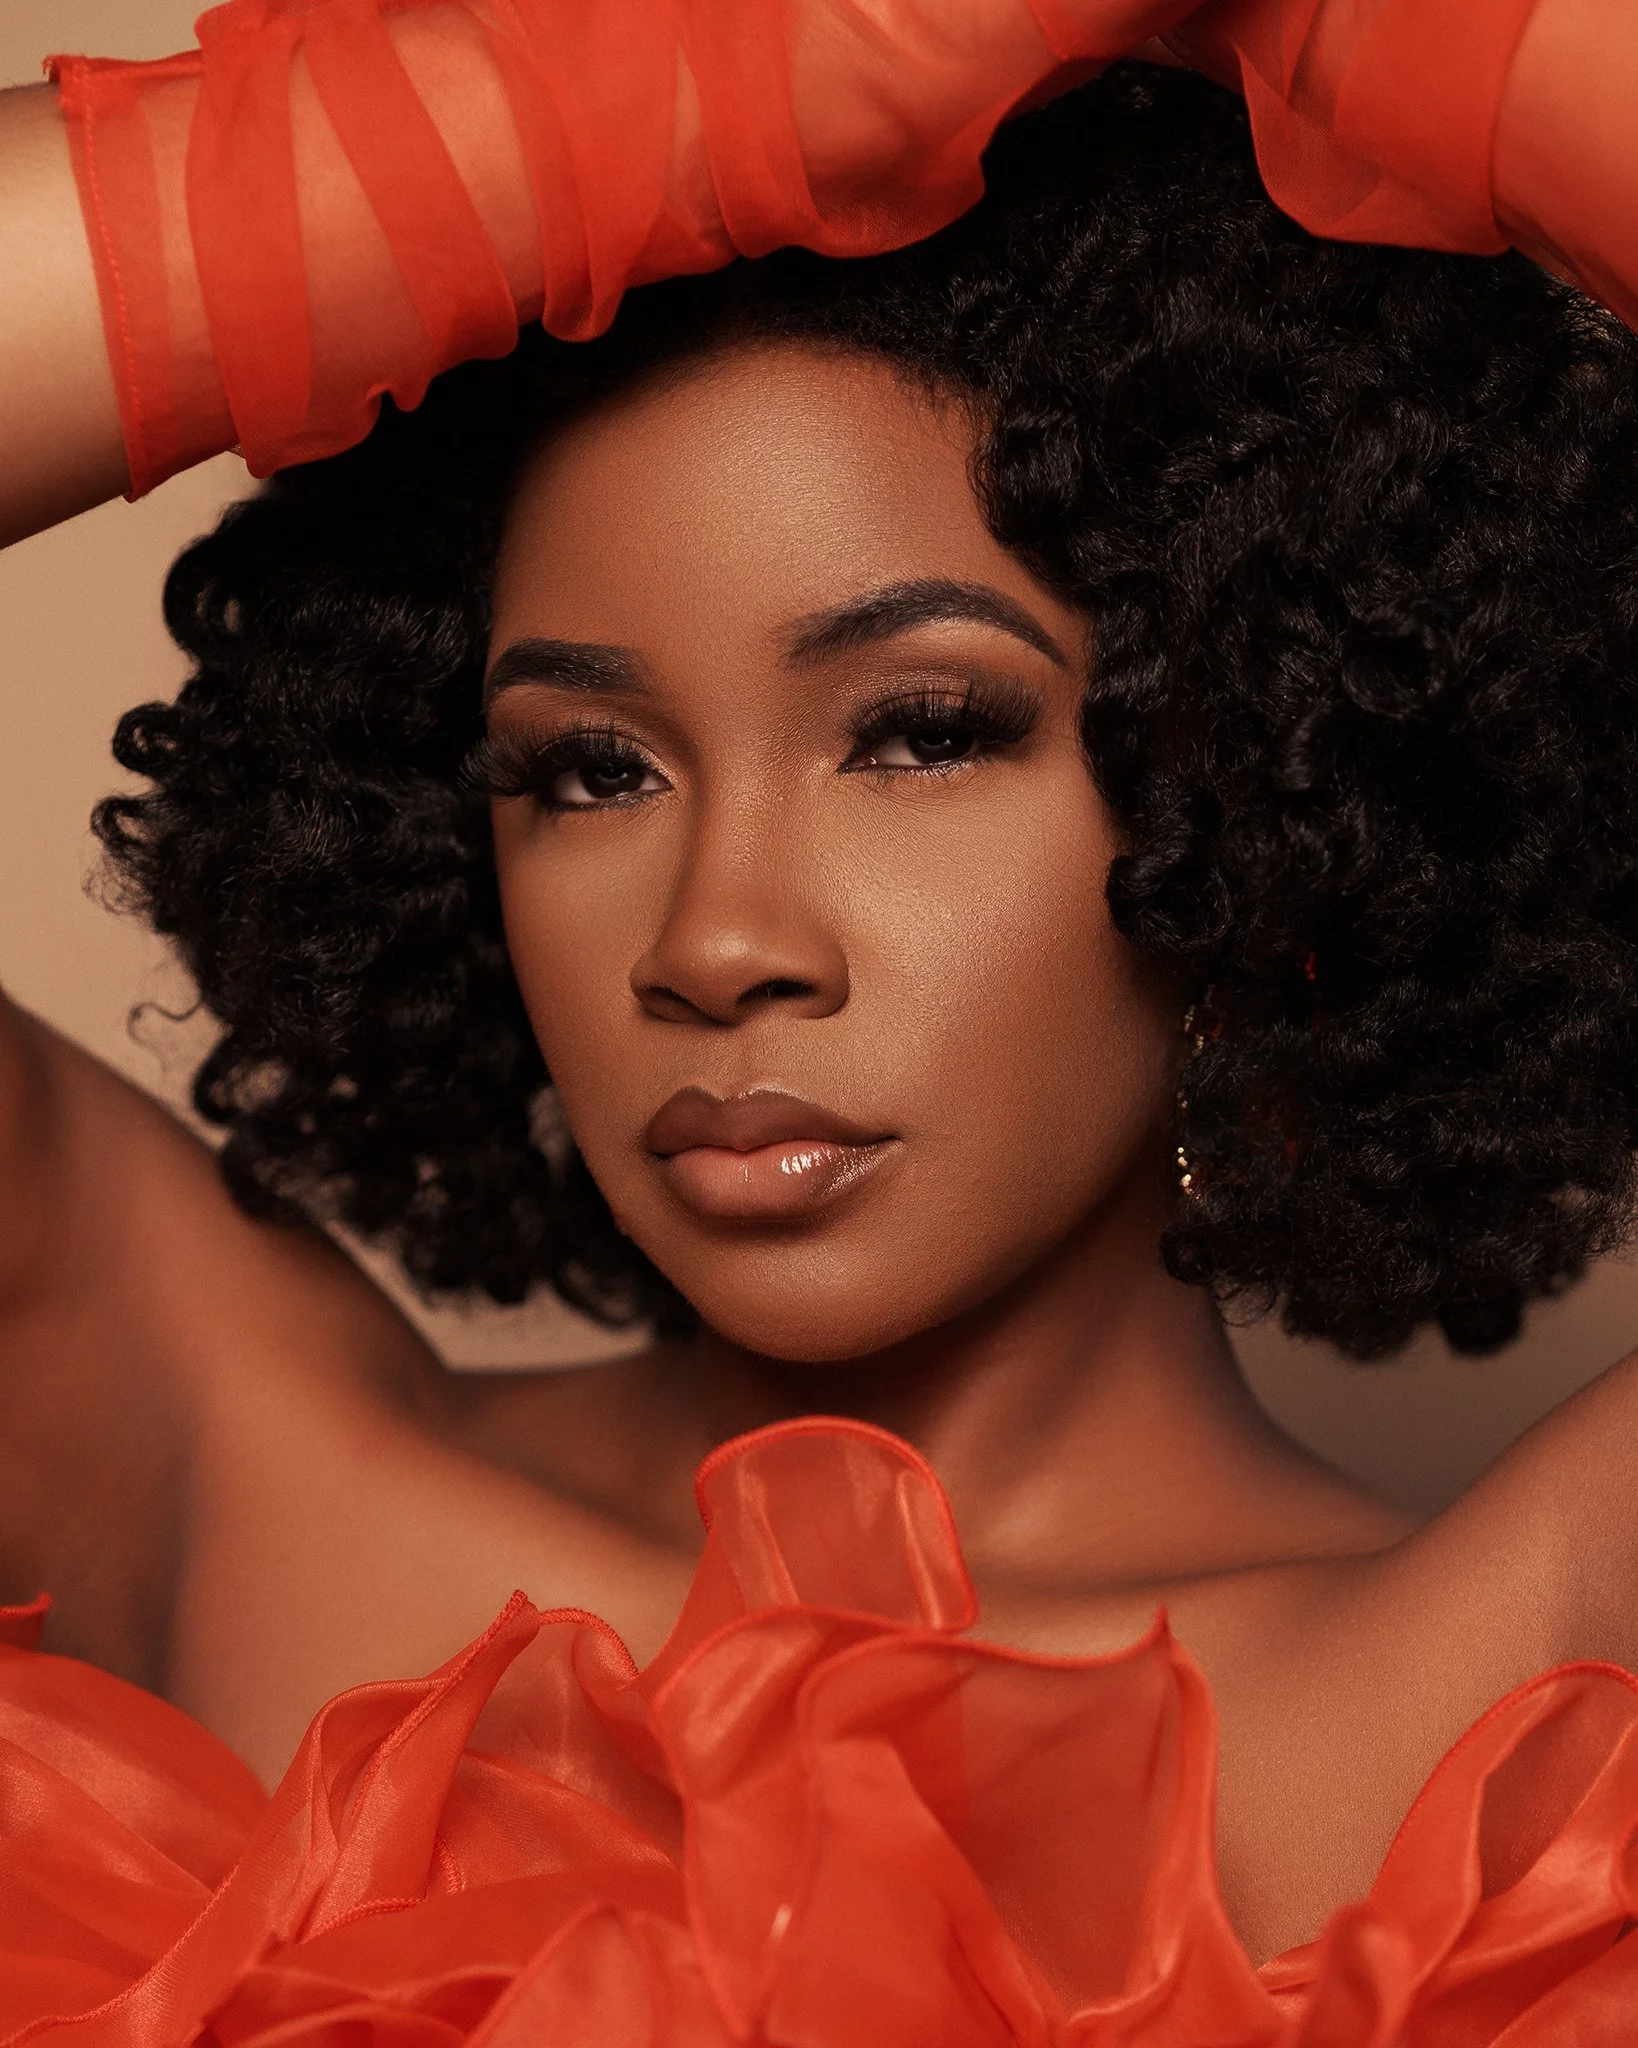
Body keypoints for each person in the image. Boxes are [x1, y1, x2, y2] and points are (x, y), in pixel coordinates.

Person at [3, 2, 1638, 2038]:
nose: (718, 937)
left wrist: (1399, 37)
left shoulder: (1524, 1688)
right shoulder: (229, 1471)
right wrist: (633, 105)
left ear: (1276, 779)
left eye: (922, 733)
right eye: (589, 769)